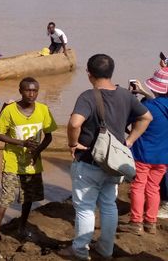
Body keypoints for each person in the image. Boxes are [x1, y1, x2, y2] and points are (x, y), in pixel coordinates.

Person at [59, 54, 152, 260]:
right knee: (109, 205)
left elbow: (74, 123)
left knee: (85, 208)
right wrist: (130, 140)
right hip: (114, 163)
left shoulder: (88, 96)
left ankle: (80, 251)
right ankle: (106, 249)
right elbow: (146, 117)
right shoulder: (126, 96)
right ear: (111, 72)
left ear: (89, 74)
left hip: (89, 161)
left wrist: (73, 144)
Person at [0, 77, 56, 260]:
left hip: (31, 163)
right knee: (6, 199)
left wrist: (37, 152)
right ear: (20, 91)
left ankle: (22, 228)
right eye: (27, 91)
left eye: (35, 91)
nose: (31, 94)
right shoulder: (10, 111)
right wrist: (21, 142)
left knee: (28, 198)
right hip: (12, 162)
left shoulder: (43, 110)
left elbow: (48, 136)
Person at [120, 68, 168, 235]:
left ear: (154, 88)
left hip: (143, 154)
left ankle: (136, 222)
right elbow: (158, 102)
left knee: (138, 186)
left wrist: (130, 96)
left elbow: (127, 118)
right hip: (163, 157)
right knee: (154, 188)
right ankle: (151, 222)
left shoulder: (147, 106)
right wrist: (143, 92)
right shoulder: (158, 105)